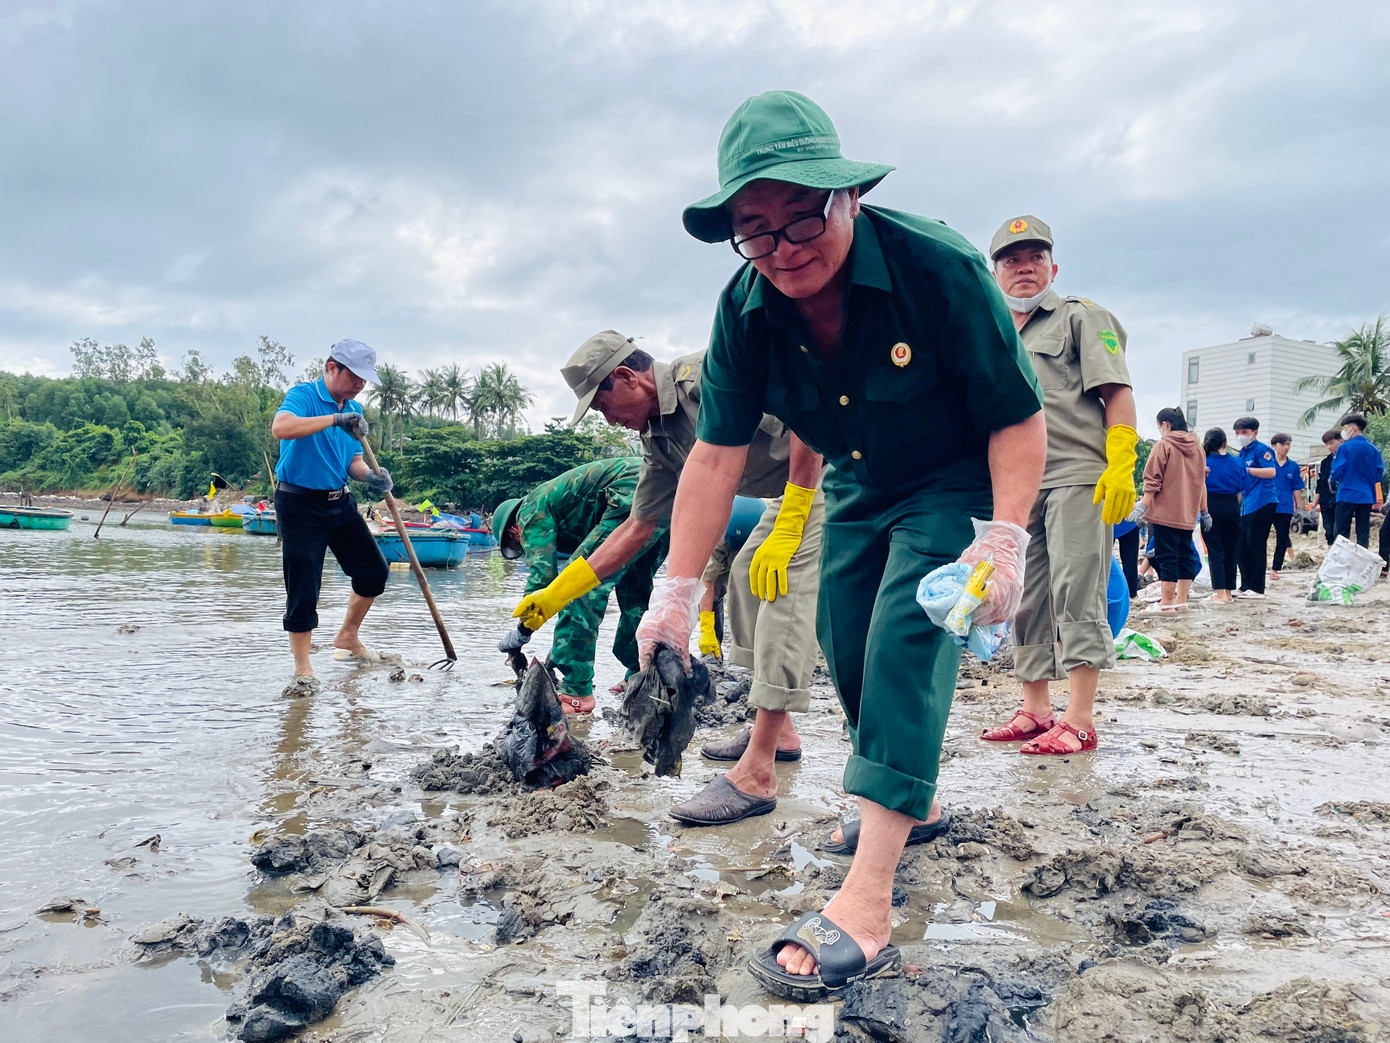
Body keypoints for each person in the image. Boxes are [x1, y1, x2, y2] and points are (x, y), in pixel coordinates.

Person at [641, 90, 1045, 998]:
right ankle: (915, 794)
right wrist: (676, 589)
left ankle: (868, 897)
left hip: (956, 478)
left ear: (848, 196)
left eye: (801, 219)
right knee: (845, 639)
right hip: (859, 479)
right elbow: (714, 454)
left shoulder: (936, 267)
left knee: (906, 633)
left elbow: (1018, 419)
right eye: (755, 230)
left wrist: (1006, 539)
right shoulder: (745, 308)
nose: (783, 250)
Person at [512, 330, 826, 826]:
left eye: (603, 404)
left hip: (830, 469)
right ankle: (780, 729)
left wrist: (795, 513)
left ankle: (759, 769)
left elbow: (812, 403)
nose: (606, 417)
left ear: (627, 377)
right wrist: (555, 594)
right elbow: (638, 527)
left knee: (777, 582)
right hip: (783, 494)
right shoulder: (658, 440)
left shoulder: (705, 376)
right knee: (743, 576)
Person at [982, 215, 1137, 755]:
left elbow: (1116, 392)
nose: (1023, 268)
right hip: (1018, 483)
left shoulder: (1080, 318)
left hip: (1076, 474)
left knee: (1078, 587)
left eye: (1034, 258)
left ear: (1053, 266)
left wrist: (1121, 462)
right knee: (1023, 597)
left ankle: (1081, 716)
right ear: (994, 271)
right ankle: (1035, 708)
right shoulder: (992, 330)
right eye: (1010, 260)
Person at [494, 457, 667, 712]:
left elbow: (544, 579)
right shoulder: (558, 505)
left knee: (577, 587)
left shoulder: (528, 510)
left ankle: (576, 694)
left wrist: (522, 631)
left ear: (513, 531)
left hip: (632, 492)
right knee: (635, 597)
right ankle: (641, 675)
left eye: (519, 543)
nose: (523, 544)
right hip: (665, 490)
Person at [270, 339, 393, 695]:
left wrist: (370, 475)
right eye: (353, 376)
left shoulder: (354, 412)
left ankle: (348, 636)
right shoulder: (304, 396)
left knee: (374, 572)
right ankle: (303, 669)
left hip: (339, 502)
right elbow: (281, 428)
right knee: (304, 585)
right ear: (331, 368)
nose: (359, 385)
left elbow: (353, 461)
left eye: (364, 379)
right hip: (299, 504)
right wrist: (334, 419)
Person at [1133, 408, 1208, 612]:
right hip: (1188, 514)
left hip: (1165, 512)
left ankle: (1166, 602)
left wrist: (1143, 505)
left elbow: (1152, 479)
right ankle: (1181, 601)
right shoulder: (1198, 449)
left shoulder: (1164, 445)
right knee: (1185, 554)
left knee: (1167, 556)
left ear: (1165, 424)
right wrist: (1204, 511)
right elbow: (1201, 482)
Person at [1233, 417, 1278, 599]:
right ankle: (1245, 585)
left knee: (1256, 545)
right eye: (1237, 433)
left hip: (1263, 501)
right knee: (1242, 546)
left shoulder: (1263, 450)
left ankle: (1257, 588)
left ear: (1254, 433)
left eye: (1244, 432)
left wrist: (1248, 470)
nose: (1240, 436)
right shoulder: (1241, 453)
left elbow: (1271, 472)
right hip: (1247, 504)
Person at [1203, 428, 1243, 604]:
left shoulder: (1203, 462)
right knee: (1231, 550)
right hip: (1232, 506)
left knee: (1215, 550)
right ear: (1225, 442)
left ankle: (1219, 593)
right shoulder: (1237, 462)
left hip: (1211, 505)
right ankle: (1228, 591)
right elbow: (1242, 489)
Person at [1331, 414, 1384, 548]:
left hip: (1346, 494)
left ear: (1353, 428)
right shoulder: (1373, 449)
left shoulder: (1345, 448)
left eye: (1345, 428)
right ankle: (1362, 563)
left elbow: (1337, 470)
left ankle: (1342, 562)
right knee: (1363, 531)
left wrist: (1333, 479)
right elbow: (1378, 474)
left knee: (1341, 533)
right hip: (1366, 496)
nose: (1343, 432)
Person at [1268, 433, 1305, 579]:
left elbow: (1296, 488)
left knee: (1282, 538)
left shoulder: (1294, 466)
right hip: (1266, 504)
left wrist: (1299, 507)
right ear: (1274, 446)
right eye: (1283, 444)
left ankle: (1275, 569)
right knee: (1260, 537)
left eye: (1288, 444)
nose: (1286, 447)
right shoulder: (1267, 463)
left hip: (1285, 507)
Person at [1309, 430, 1342, 546]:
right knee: (1328, 531)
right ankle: (1331, 554)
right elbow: (1320, 484)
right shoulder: (1325, 462)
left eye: (1331, 443)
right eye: (1327, 444)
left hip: (1341, 501)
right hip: (1326, 502)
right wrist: (1313, 504)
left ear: (1340, 441)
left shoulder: (1346, 459)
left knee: (1339, 531)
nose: (1329, 447)